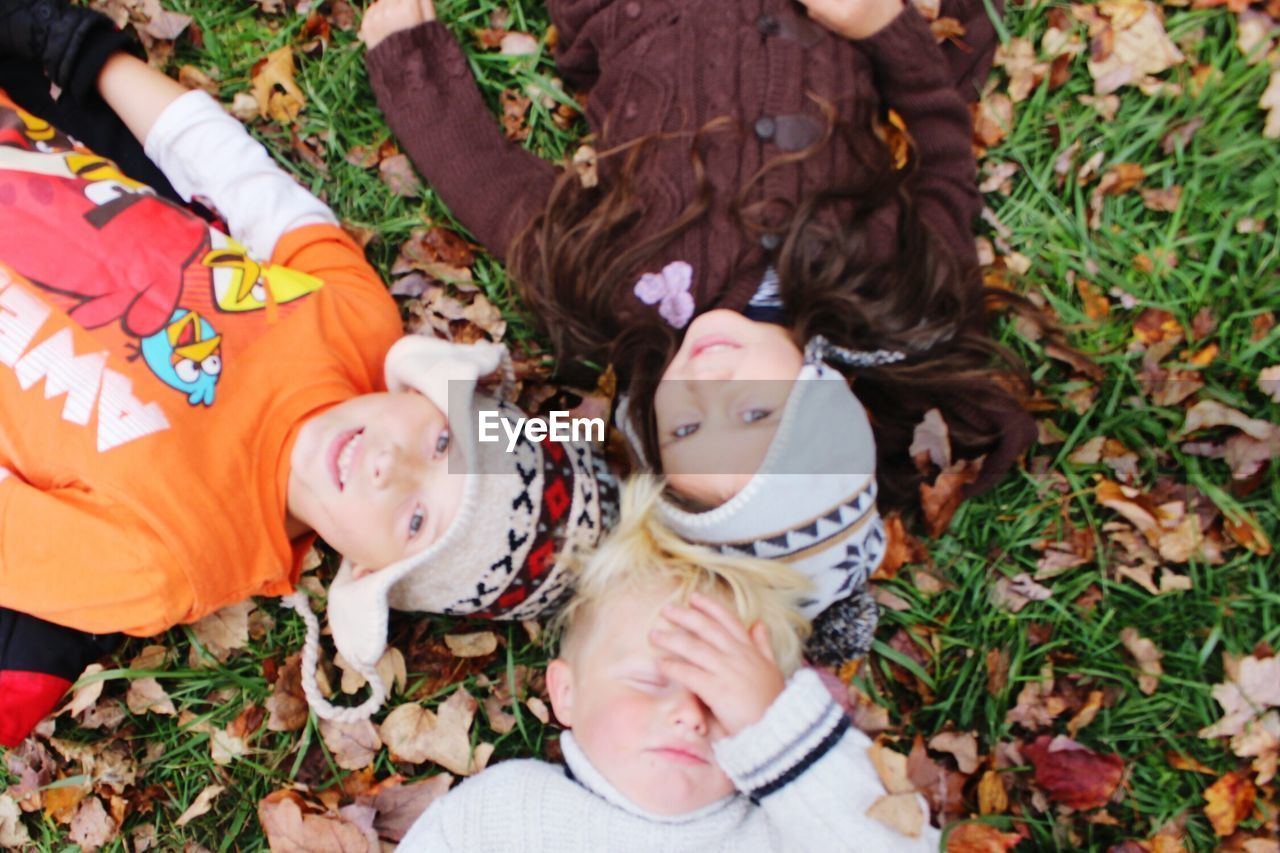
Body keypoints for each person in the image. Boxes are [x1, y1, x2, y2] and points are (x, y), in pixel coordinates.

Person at [0, 0, 617, 746]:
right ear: (428, 390)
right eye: (445, 445)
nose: (392, 467)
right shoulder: (354, 324)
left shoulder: (170, 561)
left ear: (368, 576)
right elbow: (233, 174)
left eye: (416, 520)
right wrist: (81, 51)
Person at [360, 0, 1035, 664]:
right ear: (829, 396)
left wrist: (412, 65)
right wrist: (887, 29)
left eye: (685, 429)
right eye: (753, 410)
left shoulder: (620, 299)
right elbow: (945, 161)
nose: (705, 385)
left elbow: (498, 193)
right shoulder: (888, 292)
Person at [396, 476, 941, 851]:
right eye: (651, 679)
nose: (689, 714)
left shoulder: (789, 832)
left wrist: (776, 727)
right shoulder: (506, 811)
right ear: (567, 693)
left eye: (723, 697)